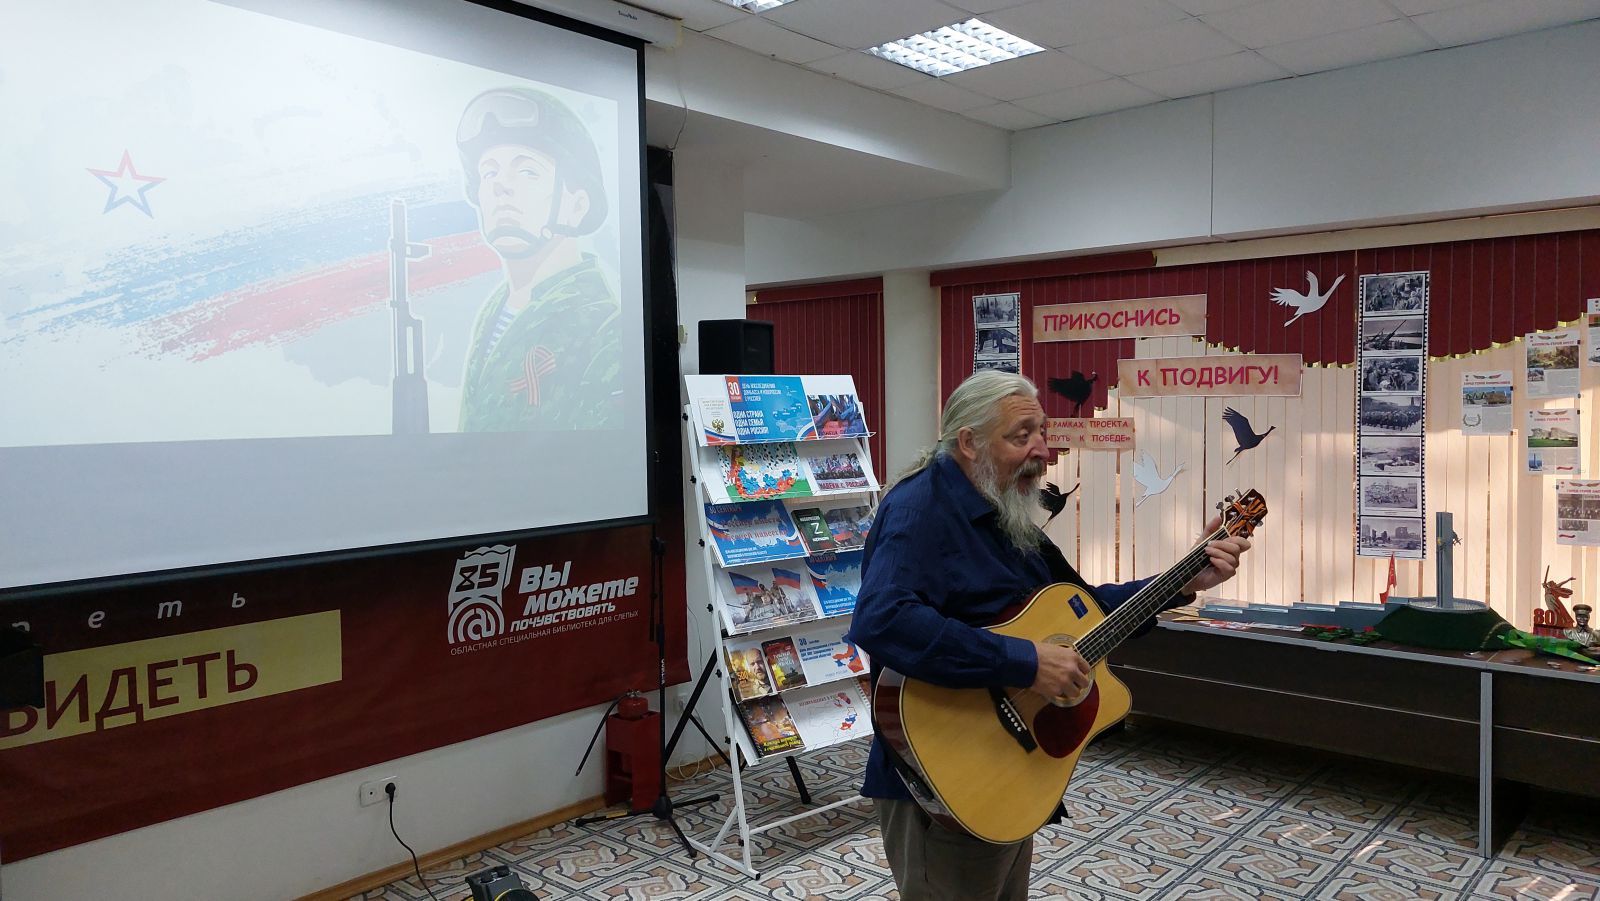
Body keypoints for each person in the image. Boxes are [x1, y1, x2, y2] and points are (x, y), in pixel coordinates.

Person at [846, 370, 1251, 901]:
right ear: (968, 443)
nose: (1042, 450)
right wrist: (1026, 662)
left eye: (1041, 431)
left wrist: (1182, 580)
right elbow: (882, 618)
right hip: (944, 775)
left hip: (1009, 769)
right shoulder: (920, 508)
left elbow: (1083, 611)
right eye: (1022, 436)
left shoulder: (1000, 507)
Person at [454, 87, 620, 431]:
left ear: (577, 206)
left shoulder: (605, 329)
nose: (501, 186)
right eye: (489, 173)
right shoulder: (494, 311)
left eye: (528, 171)